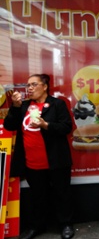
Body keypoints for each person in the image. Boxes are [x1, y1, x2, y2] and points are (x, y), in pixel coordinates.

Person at [4, 74, 75, 239]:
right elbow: (9, 125)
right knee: (37, 196)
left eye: (33, 84)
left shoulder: (57, 104)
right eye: (28, 85)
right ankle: (37, 226)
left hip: (56, 160)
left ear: (44, 86)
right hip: (31, 162)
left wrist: (45, 125)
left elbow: (66, 127)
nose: (29, 88)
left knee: (62, 194)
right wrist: (15, 106)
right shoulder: (24, 106)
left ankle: (65, 225)